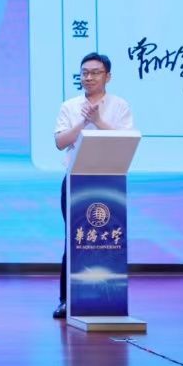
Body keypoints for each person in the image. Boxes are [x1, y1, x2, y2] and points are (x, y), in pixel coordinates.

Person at [52, 52, 133, 319]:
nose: (89, 77)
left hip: (110, 181)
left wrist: (98, 121)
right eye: (85, 72)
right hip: (76, 179)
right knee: (74, 239)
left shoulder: (120, 106)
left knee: (109, 240)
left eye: (95, 72)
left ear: (108, 76)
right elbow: (60, 142)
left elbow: (126, 141)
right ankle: (67, 299)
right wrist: (84, 121)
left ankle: (108, 296)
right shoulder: (70, 106)